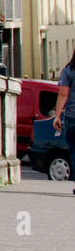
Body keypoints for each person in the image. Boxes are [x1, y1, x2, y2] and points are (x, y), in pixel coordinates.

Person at [53, 48, 75, 195]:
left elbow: (63, 93)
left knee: (74, 152)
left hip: (73, 116)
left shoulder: (69, 69)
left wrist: (57, 116)